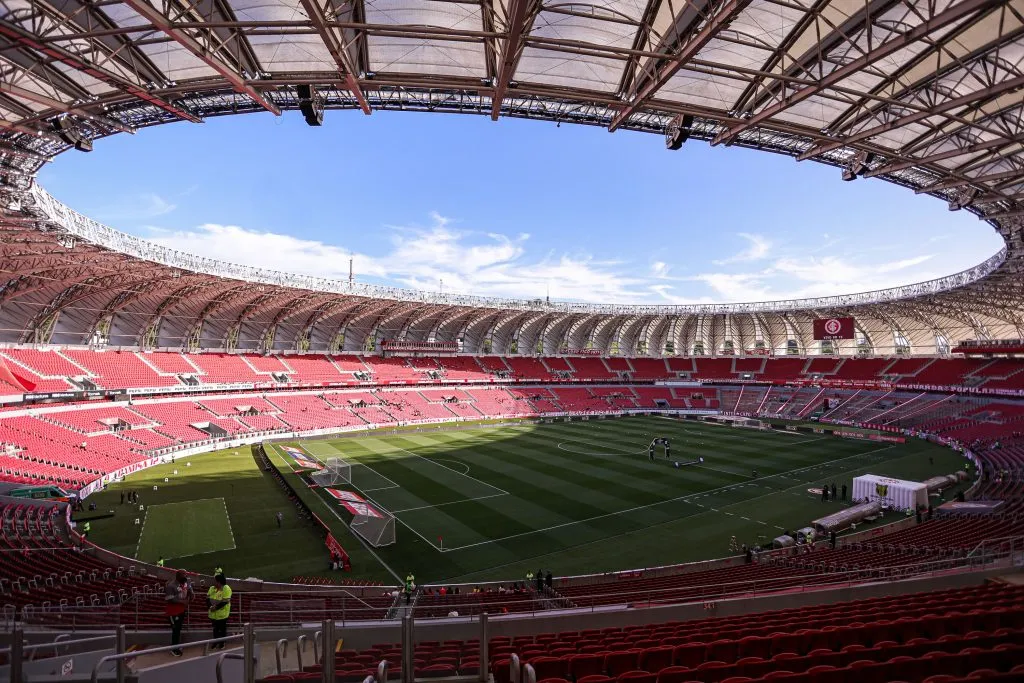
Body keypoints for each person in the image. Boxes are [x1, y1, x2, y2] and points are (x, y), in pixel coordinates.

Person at [165, 571, 194, 656]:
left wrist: (191, 594)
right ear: (178, 576)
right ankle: (174, 649)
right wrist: (182, 602)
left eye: (186, 575)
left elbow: (190, 590)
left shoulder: (186, 583)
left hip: (181, 611)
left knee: (178, 630)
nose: (185, 577)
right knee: (175, 630)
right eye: (184, 575)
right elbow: (169, 599)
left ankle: (176, 646)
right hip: (173, 612)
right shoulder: (171, 586)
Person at [207, 574, 232, 650]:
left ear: (219, 582)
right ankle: (215, 642)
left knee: (222, 629)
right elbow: (207, 599)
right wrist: (210, 607)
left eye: (215, 581)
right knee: (215, 629)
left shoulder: (226, 588)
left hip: (222, 614)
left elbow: (225, 601)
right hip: (213, 614)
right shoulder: (212, 588)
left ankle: (222, 643)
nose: (213, 582)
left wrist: (216, 608)